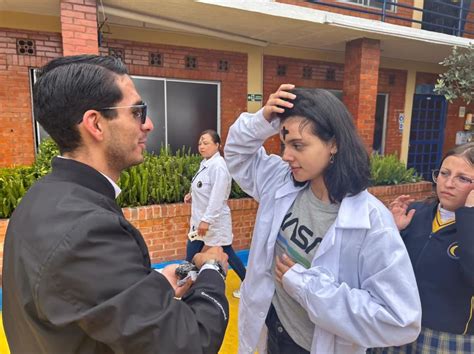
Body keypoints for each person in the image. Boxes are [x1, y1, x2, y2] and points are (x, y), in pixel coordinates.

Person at [2, 54, 229, 354]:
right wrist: (212, 269)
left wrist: (157, 285)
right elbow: (189, 342)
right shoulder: (88, 231)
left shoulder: (41, 197)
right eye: (137, 111)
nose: (147, 124)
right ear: (95, 123)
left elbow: (87, 297)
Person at [224, 84, 422, 354]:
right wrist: (263, 120)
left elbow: (401, 320)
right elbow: (237, 155)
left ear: (333, 144)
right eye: (284, 144)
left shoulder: (372, 222)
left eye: (298, 145)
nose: (285, 156)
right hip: (272, 326)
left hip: (310, 346)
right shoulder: (281, 181)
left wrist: (306, 288)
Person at [370, 142, 474, 353]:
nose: (449, 183)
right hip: (396, 324)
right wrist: (393, 231)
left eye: (462, 178)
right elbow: (377, 269)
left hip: (446, 338)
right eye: (444, 173)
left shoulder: (469, 227)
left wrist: (469, 216)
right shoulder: (415, 213)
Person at [184, 129, 246, 298]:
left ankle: (247, 284)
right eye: (199, 143)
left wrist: (207, 220)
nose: (201, 146)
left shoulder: (219, 166)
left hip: (213, 222)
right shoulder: (206, 163)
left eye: (206, 143)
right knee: (192, 249)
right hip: (201, 221)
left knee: (227, 253)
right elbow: (203, 187)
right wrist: (191, 195)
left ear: (217, 145)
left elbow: (217, 196)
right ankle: (186, 282)